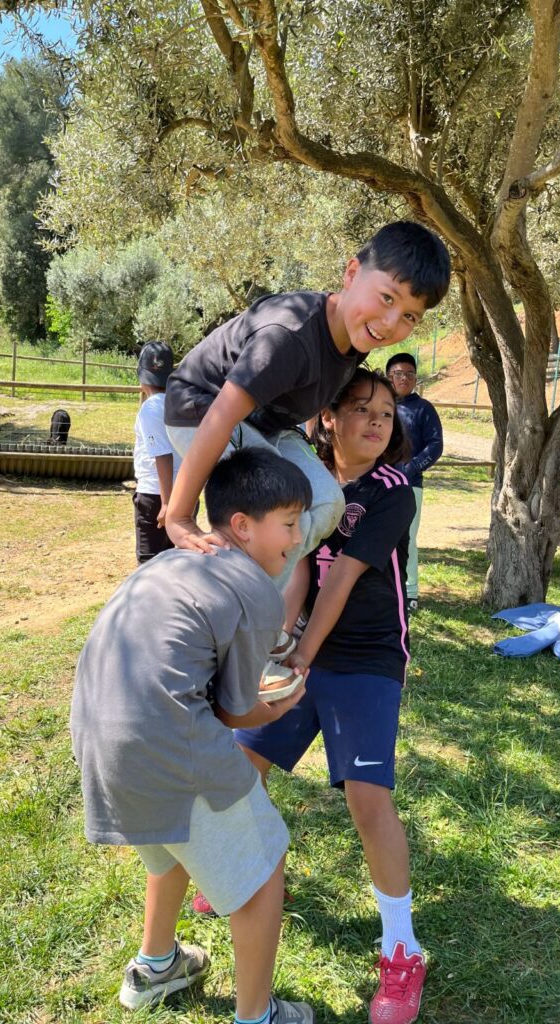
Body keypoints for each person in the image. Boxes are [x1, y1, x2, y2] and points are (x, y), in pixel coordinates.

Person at [70, 448, 316, 1024]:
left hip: (97, 734)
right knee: (264, 867)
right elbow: (234, 711)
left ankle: (157, 966)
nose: (298, 537)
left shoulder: (167, 563)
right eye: (288, 523)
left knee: (174, 840)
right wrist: (280, 707)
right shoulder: (255, 588)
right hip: (167, 742)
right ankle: (257, 1015)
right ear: (242, 526)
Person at [234, 368, 427, 1024]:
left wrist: (302, 656)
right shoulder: (309, 483)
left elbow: (341, 578)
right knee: (241, 764)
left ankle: (402, 952)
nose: (377, 420)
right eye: (362, 408)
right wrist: (279, 641)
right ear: (328, 418)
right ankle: (249, 873)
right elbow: (299, 571)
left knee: (367, 798)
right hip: (308, 647)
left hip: (367, 656)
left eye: (386, 412)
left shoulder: (391, 490)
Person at [163, 221, 450, 591]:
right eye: (387, 298)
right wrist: (179, 516)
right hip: (202, 410)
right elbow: (221, 415)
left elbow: (313, 397)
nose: (390, 323)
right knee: (270, 512)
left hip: (268, 426)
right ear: (352, 273)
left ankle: (262, 596)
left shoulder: (357, 338)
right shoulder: (288, 337)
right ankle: (225, 595)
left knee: (327, 503)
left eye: (410, 316)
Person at [384, 352, 444, 613]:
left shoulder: (423, 409)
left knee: (407, 536)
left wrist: (412, 468)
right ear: (389, 376)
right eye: (398, 373)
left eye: (410, 374)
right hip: (378, 482)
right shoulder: (380, 405)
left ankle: (409, 592)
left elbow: (435, 445)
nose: (404, 378)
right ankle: (382, 586)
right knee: (377, 533)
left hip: (410, 484)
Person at [132, 341, 181, 564]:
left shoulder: (150, 408)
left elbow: (163, 456)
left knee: (149, 563)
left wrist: (167, 504)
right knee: (170, 561)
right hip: (181, 490)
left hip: (155, 494)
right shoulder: (177, 404)